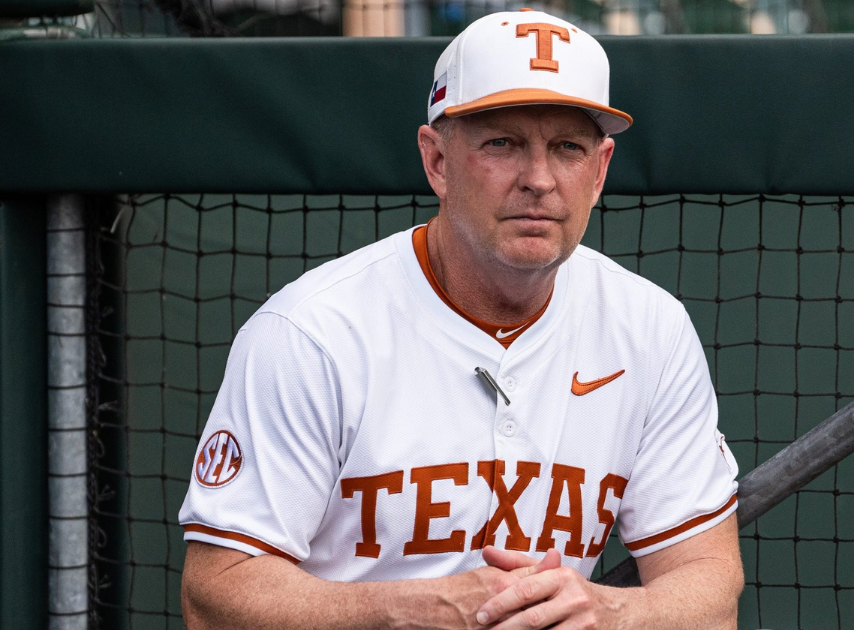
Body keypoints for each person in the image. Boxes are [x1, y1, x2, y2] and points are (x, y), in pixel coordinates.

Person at [179, 9, 742, 629]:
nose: (539, 179)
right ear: (438, 161)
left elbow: (710, 588)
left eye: (568, 149)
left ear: (602, 168)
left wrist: (610, 613)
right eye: (502, 143)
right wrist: (403, 611)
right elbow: (214, 597)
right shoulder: (312, 333)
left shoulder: (650, 329)